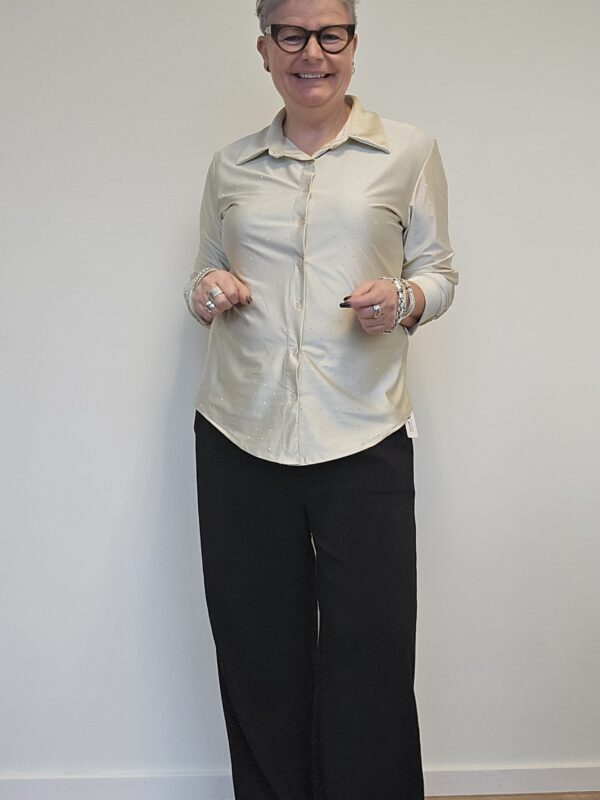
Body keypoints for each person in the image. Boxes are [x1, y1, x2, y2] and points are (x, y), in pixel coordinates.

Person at [184, 1, 458, 798]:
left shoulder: (407, 152)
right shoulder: (230, 166)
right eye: (293, 35)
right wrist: (209, 288)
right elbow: (201, 273)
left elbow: (439, 272)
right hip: (238, 431)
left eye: (330, 34)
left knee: (371, 650)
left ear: (353, 44)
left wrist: (401, 300)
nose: (313, 53)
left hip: (364, 428)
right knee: (257, 651)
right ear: (265, 48)